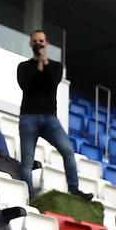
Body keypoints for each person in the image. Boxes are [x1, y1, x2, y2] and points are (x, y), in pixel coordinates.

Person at [16, 29, 83, 198]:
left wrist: (45, 65)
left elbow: (52, 83)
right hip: (28, 118)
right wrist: (38, 66)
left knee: (67, 150)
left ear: (47, 43)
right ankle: (29, 196)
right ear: (31, 44)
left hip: (49, 117)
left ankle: (74, 190)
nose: (39, 44)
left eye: (41, 41)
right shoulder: (24, 67)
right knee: (27, 161)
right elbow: (27, 85)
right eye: (35, 41)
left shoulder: (55, 66)